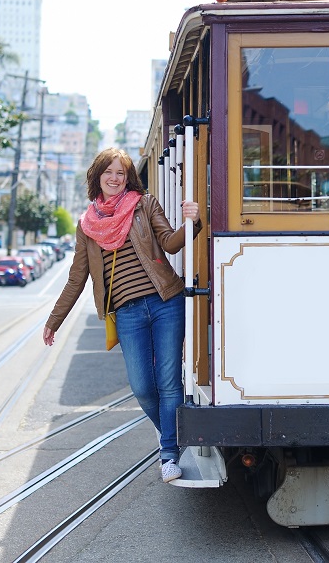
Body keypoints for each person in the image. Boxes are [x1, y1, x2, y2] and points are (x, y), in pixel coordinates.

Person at [43, 147, 202, 483]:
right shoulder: (87, 226)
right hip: (127, 312)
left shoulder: (145, 205)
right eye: (108, 172)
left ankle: (169, 454)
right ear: (97, 177)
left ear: (128, 178)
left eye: (121, 173)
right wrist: (54, 320)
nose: (115, 179)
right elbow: (77, 278)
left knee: (168, 381)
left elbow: (171, 244)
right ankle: (170, 432)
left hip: (165, 302)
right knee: (143, 387)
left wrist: (193, 222)